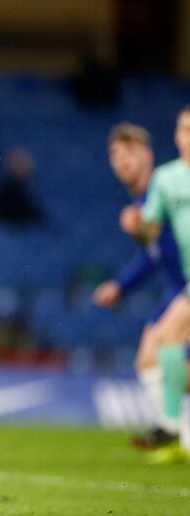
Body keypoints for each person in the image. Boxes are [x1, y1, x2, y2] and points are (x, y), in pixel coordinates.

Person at [92, 123, 185, 449]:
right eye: (114, 156)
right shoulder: (145, 200)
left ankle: (175, 431)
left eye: (127, 153)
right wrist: (121, 286)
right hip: (177, 287)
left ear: (146, 154)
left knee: (160, 351)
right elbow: (154, 254)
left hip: (184, 287)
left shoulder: (169, 186)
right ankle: (173, 433)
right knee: (151, 358)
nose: (120, 162)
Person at [121, 105, 190, 463]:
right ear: (177, 136)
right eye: (184, 129)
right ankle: (174, 429)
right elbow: (152, 229)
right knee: (164, 343)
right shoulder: (167, 179)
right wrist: (138, 227)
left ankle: (173, 427)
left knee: (164, 342)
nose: (187, 136)